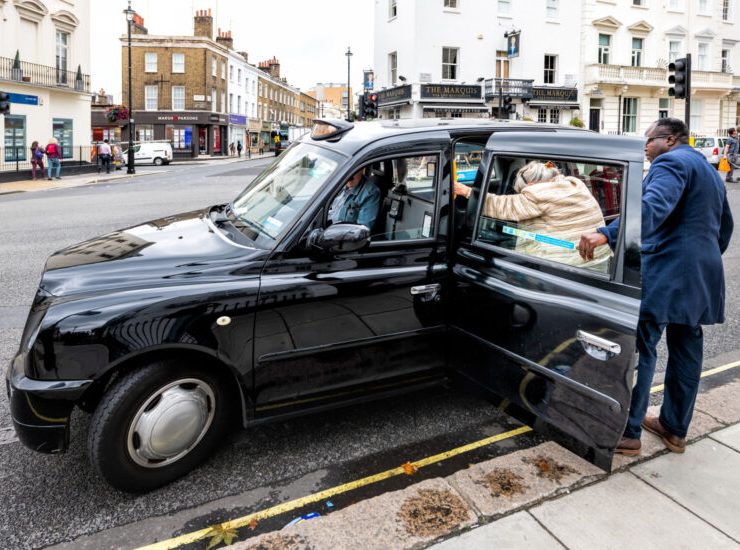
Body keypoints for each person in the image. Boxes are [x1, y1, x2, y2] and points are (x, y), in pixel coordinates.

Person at [578, 118, 734, 456]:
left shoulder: (671, 163)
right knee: (686, 349)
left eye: (650, 140)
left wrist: (607, 233)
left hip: (667, 271)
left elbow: (651, 208)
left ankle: (630, 432)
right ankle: (675, 429)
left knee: (642, 347)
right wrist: (700, 257)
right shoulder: (706, 169)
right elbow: (725, 226)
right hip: (700, 272)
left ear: (672, 139)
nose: (646, 147)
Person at [454, 160, 611, 270]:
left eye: (522, 191)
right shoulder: (574, 185)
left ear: (531, 185)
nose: (522, 194)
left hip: (567, 265)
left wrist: (467, 191)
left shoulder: (539, 194)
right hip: (599, 260)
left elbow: (503, 207)